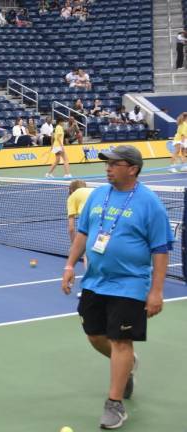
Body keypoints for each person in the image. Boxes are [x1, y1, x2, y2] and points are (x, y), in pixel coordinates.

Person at [61, 145, 173, 429]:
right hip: (96, 280)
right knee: (95, 335)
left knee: (121, 340)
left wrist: (156, 291)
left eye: (114, 163)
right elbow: (84, 233)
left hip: (131, 283)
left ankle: (115, 404)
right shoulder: (98, 194)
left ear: (132, 168)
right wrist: (69, 265)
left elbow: (160, 250)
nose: (107, 168)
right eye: (107, 163)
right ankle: (127, 365)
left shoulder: (150, 204)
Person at [67, 179, 93, 296]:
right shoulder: (95, 191)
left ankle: (88, 290)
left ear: (71, 190)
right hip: (105, 220)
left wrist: (75, 246)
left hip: (89, 222)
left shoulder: (72, 196)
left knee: (87, 255)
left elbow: (71, 227)